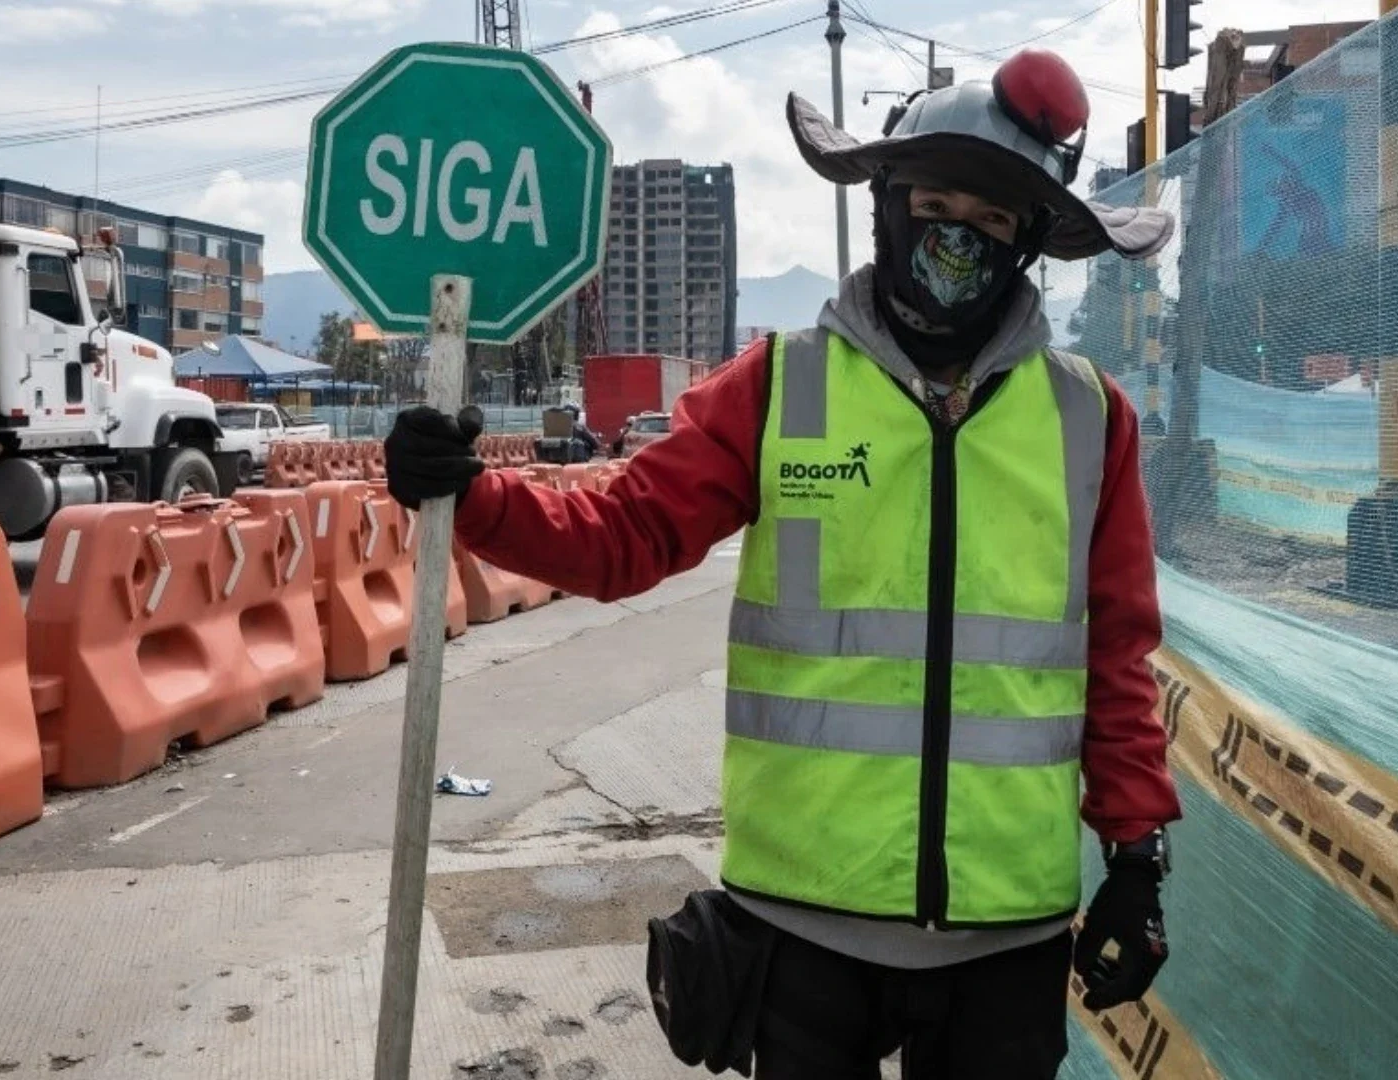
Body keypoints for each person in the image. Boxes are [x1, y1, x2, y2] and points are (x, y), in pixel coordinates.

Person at [386, 49, 1181, 1080]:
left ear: (1028, 242)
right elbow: (623, 535)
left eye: (990, 220)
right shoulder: (779, 386)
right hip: (806, 920)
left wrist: (1136, 854)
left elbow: (1116, 658)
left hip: (1008, 927)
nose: (957, 238)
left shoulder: (1087, 416)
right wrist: (475, 496)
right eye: (934, 205)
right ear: (886, 205)